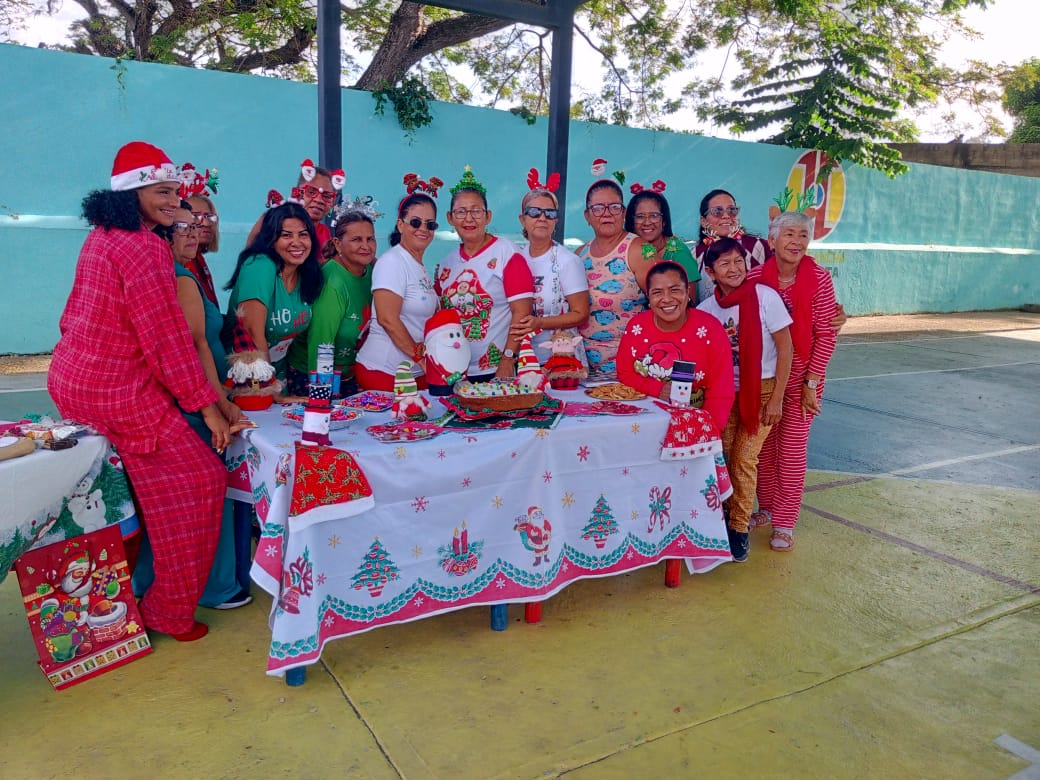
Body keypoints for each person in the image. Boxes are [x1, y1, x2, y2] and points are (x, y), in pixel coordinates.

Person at [48, 141, 231, 641]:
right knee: (202, 480)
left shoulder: (104, 235)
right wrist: (207, 408)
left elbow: (72, 316)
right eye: (161, 191)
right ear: (133, 192)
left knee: (146, 488)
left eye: (176, 191)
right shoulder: (144, 246)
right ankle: (167, 611)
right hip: (116, 391)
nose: (174, 201)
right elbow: (165, 338)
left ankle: (142, 597)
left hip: (73, 379)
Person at [134, 201, 253, 609]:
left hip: (189, 399)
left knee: (173, 501)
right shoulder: (180, 278)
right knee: (207, 490)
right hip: (193, 404)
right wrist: (216, 404)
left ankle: (151, 583)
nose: (191, 233)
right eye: (179, 227)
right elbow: (194, 347)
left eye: (195, 225)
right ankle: (216, 587)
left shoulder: (178, 274)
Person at [696, 237, 793, 562]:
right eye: (724, 263)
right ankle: (719, 523)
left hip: (761, 392)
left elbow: (786, 348)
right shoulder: (706, 311)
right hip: (724, 396)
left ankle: (738, 530)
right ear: (710, 272)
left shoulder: (765, 299)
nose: (734, 268)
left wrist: (777, 397)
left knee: (742, 459)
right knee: (720, 457)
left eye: (739, 261)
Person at [747, 211, 839, 552]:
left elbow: (827, 334)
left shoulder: (820, 279)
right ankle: (767, 508)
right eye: (788, 234)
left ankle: (785, 522)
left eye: (802, 235)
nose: (796, 241)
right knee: (763, 450)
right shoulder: (755, 277)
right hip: (767, 380)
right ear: (772, 240)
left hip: (803, 382)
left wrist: (811, 382)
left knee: (791, 452)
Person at [434, 166, 535, 381]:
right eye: (461, 212)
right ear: (450, 218)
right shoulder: (446, 264)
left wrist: (509, 359)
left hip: (496, 370)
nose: (469, 219)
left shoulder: (507, 254)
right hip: (453, 371)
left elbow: (522, 313)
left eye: (476, 211)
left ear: (488, 216)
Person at [616, 260, 734, 432]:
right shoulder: (636, 327)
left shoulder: (710, 329)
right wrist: (659, 389)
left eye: (675, 290)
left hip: (697, 427)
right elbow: (624, 373)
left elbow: (721, 390)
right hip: (642, 427)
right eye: (657, 292)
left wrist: (708, 432)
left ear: (688, 293)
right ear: (648, 297)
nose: (667, 299)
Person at [222, 202, 323, 386]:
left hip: (278, 378)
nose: (297, 242)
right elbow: (252, 331)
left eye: (303, 234)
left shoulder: (307, 272)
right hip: (246, 383)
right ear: (271, 239)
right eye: (286, 235)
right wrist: (271, 388)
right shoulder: (259, 266)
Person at [356, 184, 440, 391]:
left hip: (413, 373)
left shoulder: (417, 265)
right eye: (415, 222)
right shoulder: (392, 262)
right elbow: (387, 319)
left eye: (430, 224)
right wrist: (419, 358)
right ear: (400, 225)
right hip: (385, 372)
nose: (423, 229)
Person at [286, 203, 376, 396]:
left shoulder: (372, 271)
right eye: (356, 239)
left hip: (352, 374)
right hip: (316, 378)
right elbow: (320, 344)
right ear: (337, 243)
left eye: (370, 239)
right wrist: (321, 393)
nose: (366, 246)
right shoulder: (332, 284)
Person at [510, 176, 590, 368]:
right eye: (535, 212)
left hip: (558, 359)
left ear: (556, 221)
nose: (542, 218)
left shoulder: (568, 261)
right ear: (522, 219)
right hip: (521, 358)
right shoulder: (514, 257)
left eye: (549, 213)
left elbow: (581, 313)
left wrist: (540, 323)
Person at [578, 179, 651, 382]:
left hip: (631, 369)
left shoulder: (640, 249)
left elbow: (660, 305)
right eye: (598, 208)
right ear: (587, 216)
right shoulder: (579, 255)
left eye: (614, 207)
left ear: (624, 212)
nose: (607, 213)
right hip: (584, 371)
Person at [246, 159, 345, 252]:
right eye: (311, 192)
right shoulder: (271, 220)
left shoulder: (324, 232)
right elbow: (250, 259)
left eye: (327, 196)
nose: (319, 200)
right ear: (297, 191)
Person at [624, 182, 699, 299]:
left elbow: (691, 302)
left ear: (664, 221)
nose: (647, 222)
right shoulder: (628, 250)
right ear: (631, 222)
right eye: (640, 216)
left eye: (654, 216)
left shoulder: (678, 252)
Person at [693, 189, 771, 302]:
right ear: (704, 221)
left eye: (731, 210)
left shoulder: (759, 246)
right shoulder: (694, 255)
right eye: (717, 211)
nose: (726, 216)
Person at [185, 192, 220, 305]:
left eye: (209, 217)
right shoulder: (179, 265)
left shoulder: (198, 259)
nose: (206, 223)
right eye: (195, 216)